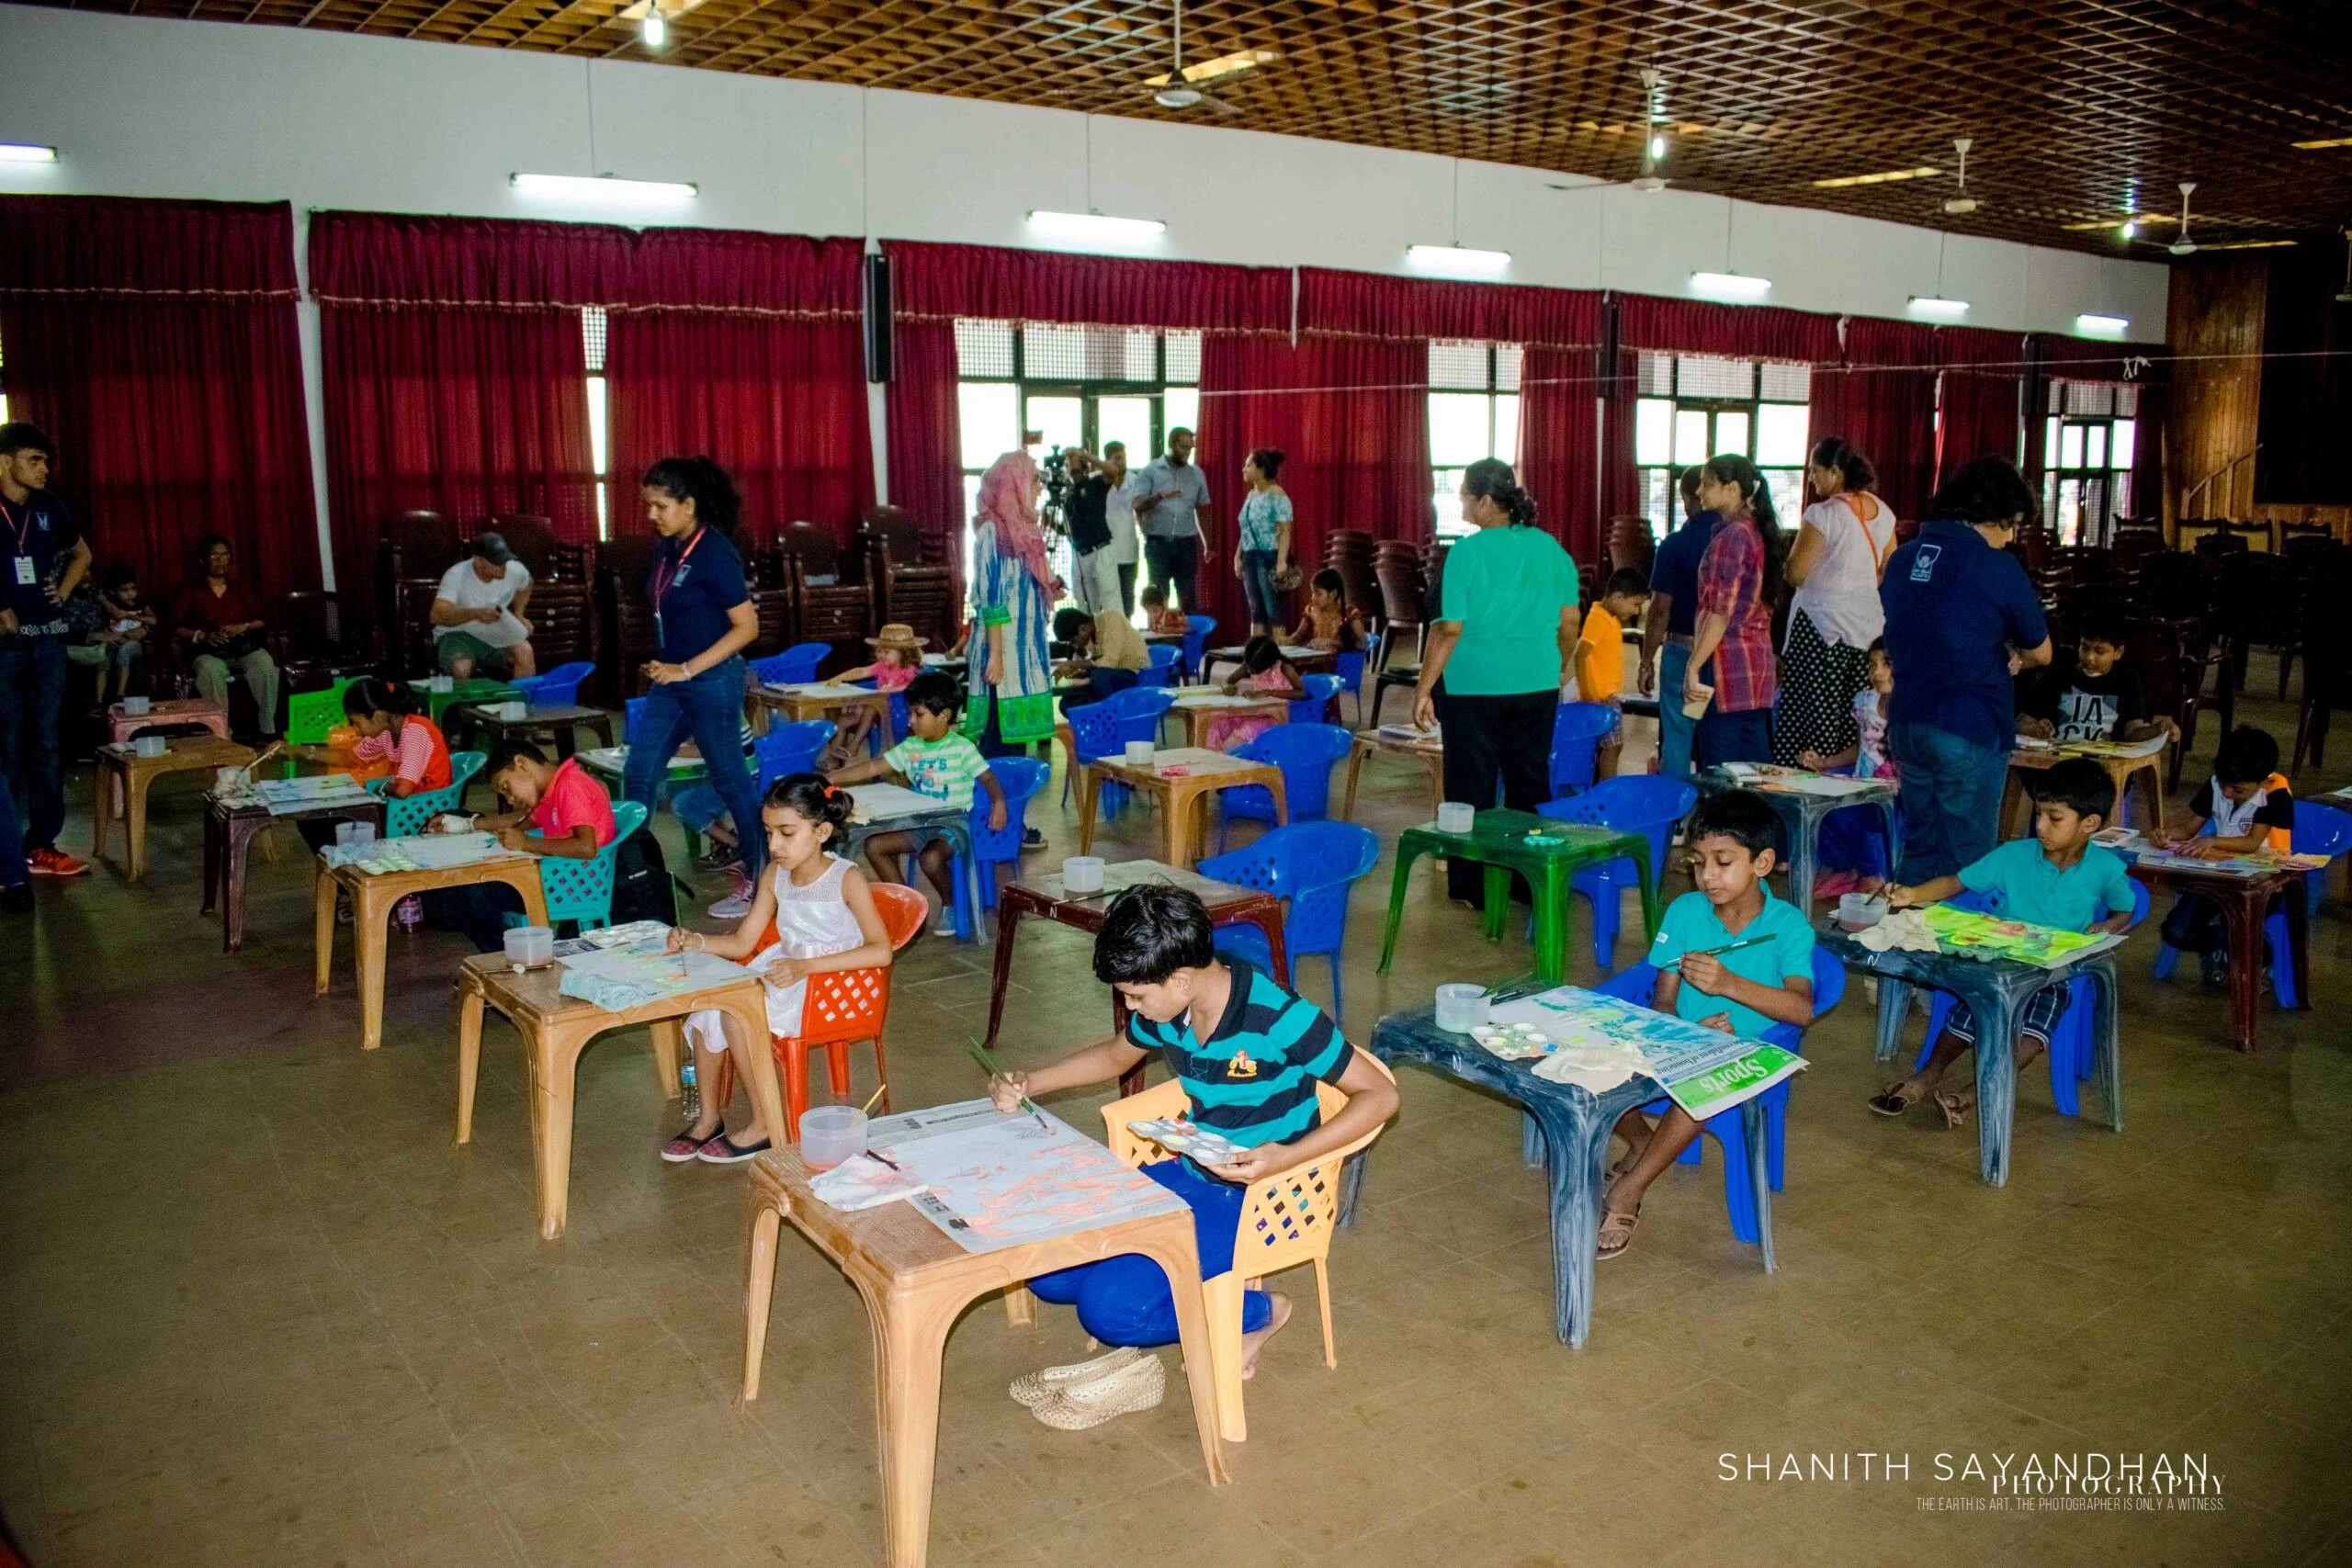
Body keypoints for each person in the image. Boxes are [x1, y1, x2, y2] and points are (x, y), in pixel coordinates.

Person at [987, 885, 1397, 1421]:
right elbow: (1116, 1054)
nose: (1130, 1008)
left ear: (1180, 979)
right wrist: (1031, 1082)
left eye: (1135, 996)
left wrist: (1285, 1158)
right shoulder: (1169, 1009)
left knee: (1110, 1312)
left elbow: (1381, 1094)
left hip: (1267, 1195)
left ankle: (1260, 1311)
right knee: (1049, 1271)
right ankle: (1175, 1282)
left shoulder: (1279, 1017)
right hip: (1193, 1170)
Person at [1602, 790, 1817, 1259]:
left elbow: (1801, 1011)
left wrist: (1729, 984)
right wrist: (1680, 1027)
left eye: (1723, 862)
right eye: (1698, 862)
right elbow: (1663, 997)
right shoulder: (1684, 911)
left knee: (1704, 1086)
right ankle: (1643, 1143)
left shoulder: (1789, 926)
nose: (1707, 876)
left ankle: (1629, 1191)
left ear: (1762, 863)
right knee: (1595, 1065)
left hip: (1754, 1050)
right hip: (1688, 1038)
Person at [1870, 759, 2136, 1126]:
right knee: (1969, 1010)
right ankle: (1930, 1072)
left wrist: (2109, 925)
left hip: (2052, 974)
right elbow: (1954, 883)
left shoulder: (2104, 869)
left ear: (2089, 823)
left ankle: (1974, 1090)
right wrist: (1911, 894)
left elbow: (2126, 908)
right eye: (2039, 814)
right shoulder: (2014, 855)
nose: (2040, 826)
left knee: (2034, 1030)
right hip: (1998, 965)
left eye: (2054, 818)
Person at [661, 774, 896, 1166]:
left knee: (739, 1016)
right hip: (787, 970)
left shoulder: (846, 878)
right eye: (769, 832)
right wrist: (695, 940)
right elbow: (742, 942)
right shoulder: (775, 875)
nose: (773, 845)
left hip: (833, 983)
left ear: (821, 831)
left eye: (786, 833)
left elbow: (881, 952)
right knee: (709, 1006)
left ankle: (766, 1123)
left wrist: (806, 966)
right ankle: (708, 1119)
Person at [1879, 457, 2052, 884]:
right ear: (1992, 515)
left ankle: (1907, 946)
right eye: (2011, 525)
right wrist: (2016, 656)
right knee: (1967, 861)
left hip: (1908, 722)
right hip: (1968, 723)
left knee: (1920, 844)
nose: (2011, 537)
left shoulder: (1902, 559)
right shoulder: (1996, 567)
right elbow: (2042, 651)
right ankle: (1955, 951)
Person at [1414, 458, 1580, 902]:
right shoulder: (1552, 549)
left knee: (1471, 788)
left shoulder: (1466, 554)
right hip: (1537, 682)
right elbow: (1569, 624)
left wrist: (1424, 686)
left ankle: (1473, 887)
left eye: (1465, 494)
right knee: (1529, 784)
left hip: (1474, 686)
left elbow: (1449, 629)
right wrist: (1558, 666)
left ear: (1485, 501)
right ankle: (1528, 884)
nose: (1461, 502)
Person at [623, 457, 766, 908]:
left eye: (660, 506)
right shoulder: (668, 547)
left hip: (710, 680)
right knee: (639, 772)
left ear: (689, 505)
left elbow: (747, 628)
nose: (652, 515)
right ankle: (632, 875)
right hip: (671, 680)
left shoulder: (715, 552)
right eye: (648, 506)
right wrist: (672, 669)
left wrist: (687, 669)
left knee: (730, 779)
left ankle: (763, 877)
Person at [829, 671, 1007, 933]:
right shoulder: (912, 746)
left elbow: (989, 778)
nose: (911, 722)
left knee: (931, 859)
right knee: (874, 845)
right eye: (910, 714)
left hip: (953, 827)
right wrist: (830, 779)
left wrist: (999, 802)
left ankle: (951, 903)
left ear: (944, 715)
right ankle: (911, 906)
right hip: (919, 824)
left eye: (918, 714)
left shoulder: (962, 748)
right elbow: (873, 767)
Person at [0, 422, 93, 882]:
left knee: (47, 746)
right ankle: (6, 851)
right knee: (8, 749)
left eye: (45, 460)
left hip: (48, 640)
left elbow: (83, 554)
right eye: (34, 460)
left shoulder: (49, 507)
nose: (44, 470)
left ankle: (42, 845)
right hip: (4, 650)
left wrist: (65, 590)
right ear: (5, 461)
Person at [1775, 438, 1896, 767]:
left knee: (1812, 718)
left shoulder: (1823, 513)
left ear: (1835, 472)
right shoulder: (1883, 512)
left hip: (1821, 630)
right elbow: (1889, 568)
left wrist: (1789, 566)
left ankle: (1808, 786)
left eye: (1815, 472)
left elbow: (1797, 572)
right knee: (1852, 717)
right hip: (1867, 629)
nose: (1811, 479)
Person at [433, 741, 617, 951]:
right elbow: (525, 819)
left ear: (521, 763)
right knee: (458, 883)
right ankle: (506, 954)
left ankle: (505, 955)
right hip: (557, 878)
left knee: (472, 891)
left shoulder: (570, 785)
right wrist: (468, 824)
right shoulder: (553, 790)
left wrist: (526, 842)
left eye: (506, 787)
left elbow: (586, 847)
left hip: (570, 885)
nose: (510, 799)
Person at [2154, 725, 2294, 987]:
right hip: (2216, 878)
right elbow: (2187, 829)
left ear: (2263, 781)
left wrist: (2212, 840)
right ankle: (2222, 946)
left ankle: (2259, 952)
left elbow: (2253, 842)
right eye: (2224, 785)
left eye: (2237, 790)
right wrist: (2164, 835)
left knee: (2235, 928)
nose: (2227, 794)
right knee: (2174, 931)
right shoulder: (2217, 783)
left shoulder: (2276, 793)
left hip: (2262, 885)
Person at [1683, 454, 1784, 768]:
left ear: (1733, 489)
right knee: (1753, 771)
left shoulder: (1732, 537)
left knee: (1721, 771)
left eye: (1707, 484)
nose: (1700, 491)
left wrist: (1693, 665)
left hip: (1727, 666)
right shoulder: (1755, 530)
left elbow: (1719, 613)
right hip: (1756, 666)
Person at [968, 439, 1059, 757]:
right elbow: (990, 598)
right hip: (1002, 649)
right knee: (998, 735)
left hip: (1026, 649)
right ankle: (992, 803)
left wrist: (1048, 586)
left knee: (1017, 738)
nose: (1040, 487)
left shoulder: (1027, 529)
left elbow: (1027, 584)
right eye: (1034, 480)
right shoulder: (990, 532)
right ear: (1015, 483)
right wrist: (996, 655)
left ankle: (1012, 803)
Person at [1639, 466, 1720, 779]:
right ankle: (1714, 817)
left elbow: (1660, 608)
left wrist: (1646, 661)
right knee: (1718, 738)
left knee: (1677, 736)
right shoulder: (1738, 538)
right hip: (1725, 653)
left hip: (1681, 649)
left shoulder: (1674, 544)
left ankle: (1673, 817)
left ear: (1688, 498)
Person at [1801, 637, 1896, 896]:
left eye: (1886, 664)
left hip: (1892, 796)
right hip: (1860, 783)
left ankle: (1870, 874)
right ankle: (1842, 868)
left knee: (1849, 813)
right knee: (1814, 802)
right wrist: (1824, 763)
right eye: (1871, 665)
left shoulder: (1912, 708)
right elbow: (1860, 748)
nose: (1877, 672)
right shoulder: (1864, 702)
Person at [175, 534, 279, 741]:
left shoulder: (241, 587)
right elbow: (176, 627)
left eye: (225, 556)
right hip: (208, 650)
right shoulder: (190, 590)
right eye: (214, 556)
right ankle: (222, 731)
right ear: (203, 561)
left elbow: (262, 620)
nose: (221, 561)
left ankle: (267, 728)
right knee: (211, 670)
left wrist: (244, 626)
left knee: (265, 664)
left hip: (242, 646)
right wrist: (203, 636)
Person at [2018, 614, 2178, 746]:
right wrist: (2034, 729)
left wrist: (2159, 729)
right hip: (2059, 761)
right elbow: (2019, 723)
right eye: (2084, 648)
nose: (2089, 657)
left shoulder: (2126, 680)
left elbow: (2133, 733)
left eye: (2099, 651)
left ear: (2118, 653)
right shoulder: (2060, 674)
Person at [1575, 569, 1651, 782]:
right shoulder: (1598, 619)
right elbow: (1580, 655)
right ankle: (1607, 788)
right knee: (1612, 746)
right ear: (1618, 597)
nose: (1636, 611)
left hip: (1607, 695)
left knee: (1612, 746)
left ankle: (1605, 785)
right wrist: (1589, 693)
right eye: (1635, 604)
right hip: (1601, 697)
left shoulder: (1608, 617)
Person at [430, 532, 537, 682]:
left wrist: (519, 614)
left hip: (494, 632)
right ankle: (462, 706)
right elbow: (437, 615)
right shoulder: (456, 575)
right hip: (457, 633)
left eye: (504, 561)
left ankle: (520, 702)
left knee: (524, 651)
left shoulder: (514, 570)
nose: (503, 568)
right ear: (477, 561)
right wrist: (475, 614)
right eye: (496, 562)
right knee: (461, 667)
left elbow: (527, 584)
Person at [1136, 428, 1214, 615]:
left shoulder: (1196, 474)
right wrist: (1159, 497)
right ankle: (1161, 639)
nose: (1187, 452)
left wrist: (1207, 544)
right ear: (1171, 445)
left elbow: (1203, 510)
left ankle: (1186, 641)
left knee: (1187, 597)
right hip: (1158, 543)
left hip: (1186, 543)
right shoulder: (1150, 471)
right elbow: (1137, 505)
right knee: (1158, 595)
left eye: (1190, 448)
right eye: (1183, 447)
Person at [829, 622, 927, 757]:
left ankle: (854, 745)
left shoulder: (908, 668)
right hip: (870, 707)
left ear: (904, 653)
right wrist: (839, 678)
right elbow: (861, 672)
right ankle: (834, 756)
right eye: (879, 651)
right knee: (842, 720)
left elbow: (912, 684)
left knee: (871, 708)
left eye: (886, 652)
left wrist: (891, 690)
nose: (881, 655)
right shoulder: (882, 666)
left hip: (894, 709)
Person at [64, 562, 154, 705]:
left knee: (128, 658)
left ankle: (120, 695)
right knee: (104, 657)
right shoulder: (63, 597)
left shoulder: (98, 594)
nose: (85, 575)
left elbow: (151, 621)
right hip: (84, 645)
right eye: (79, 571)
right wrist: (95, 636)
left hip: (117, 642)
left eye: (87, 570)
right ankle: (99, 703)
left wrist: (137, 628)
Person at [1205, 636, 1305, 751]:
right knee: (1218, 723)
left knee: (1247, 730)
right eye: (1249, 666)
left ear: (1269, 662)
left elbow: (1302, 693)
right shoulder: (1251, 662)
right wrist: (1227, 687)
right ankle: (1215, 759)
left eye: (1255, 668)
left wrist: (1266, 693)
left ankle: (1224, 759)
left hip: (1276, 717)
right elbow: (1230, 680)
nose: (1251, 670)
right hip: (1254, 713)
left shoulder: (1284, 667)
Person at [1233, 448, 1294, 637]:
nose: (1244, 469)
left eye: (1249, 465)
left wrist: (1281, 561)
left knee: (1273, 609)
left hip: (1268, 556)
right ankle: (1256, 657)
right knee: (1255, 609)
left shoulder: (1277, 494)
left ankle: (1278, 656)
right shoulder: (1251, 495)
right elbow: (1246, 529)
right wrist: (1238, 557)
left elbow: (1285, 531)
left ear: (1261, 469)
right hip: (1250, 556)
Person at [1052, 605, 1149, 710]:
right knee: (1067, 705)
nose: (1074, 646)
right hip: (1111, 676)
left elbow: (1109, 663)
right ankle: (1101, 719)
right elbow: (1098, 664)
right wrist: (1074, 675)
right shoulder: (1092, 634)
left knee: (1099, 677)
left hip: (1135, 673)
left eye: (1073, 641)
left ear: (1083, 629)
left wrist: (1073, 664)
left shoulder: (1112, 618)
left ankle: (1115, 718)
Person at [1064, 446, 1120, 619]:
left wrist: (1087, 455)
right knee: (1085, 605)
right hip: (1080, 553)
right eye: (1068, 463)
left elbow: (1112, 471)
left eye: (1075, 461)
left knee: (1111, 602)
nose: (1072, 467)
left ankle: (1117, 638)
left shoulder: (1095, 483)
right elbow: (1070, 527)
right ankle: (1090, 642)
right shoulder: (1067, 495)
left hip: (1101, 549)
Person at [1102, 440, 1141, 615]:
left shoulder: (1135, 481)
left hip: (1128, 551)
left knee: (1127, 601)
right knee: (1107, 601)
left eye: (1124, 457)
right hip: (1105, 553)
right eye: (1117, 458)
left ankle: (1126, 639)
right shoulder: (1099, 481)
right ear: (1107, 460)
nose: (1122, 462)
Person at [1288, 568, 1366, 654]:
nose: (1313, 598)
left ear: (1333, 594)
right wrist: (1285, 641)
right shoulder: (1311, 610)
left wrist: (1333, 643)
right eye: (1312, 593)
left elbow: (1362, 644)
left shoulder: (1350, 613)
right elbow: (1298, 637)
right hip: (1316, 662)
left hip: (1342, 663)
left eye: (1318, 594)